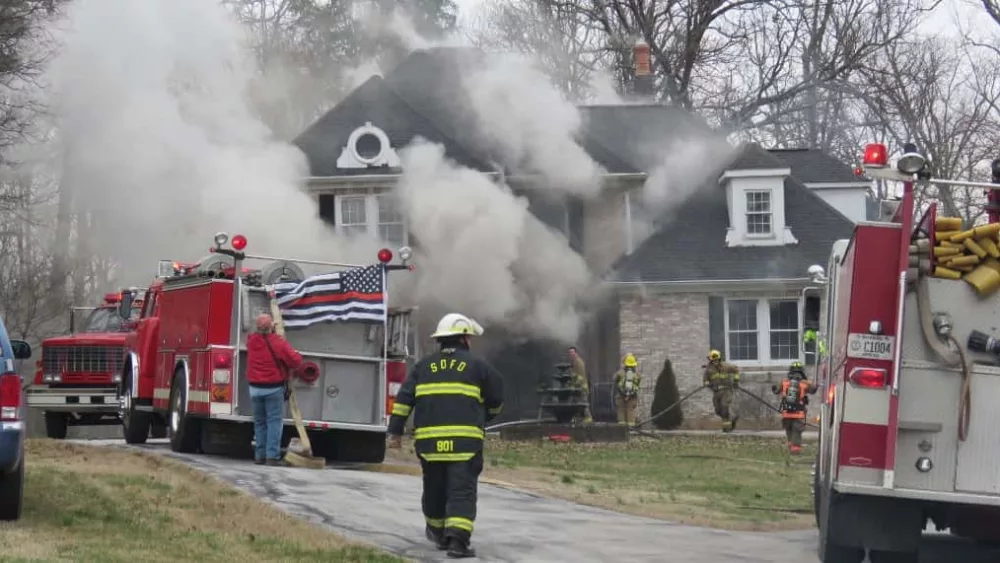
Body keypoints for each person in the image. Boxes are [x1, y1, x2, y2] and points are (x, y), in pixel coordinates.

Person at [387, 313, 504, 559]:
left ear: (441, 339)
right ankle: (457, 542)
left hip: (429, 444)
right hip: (465, 444)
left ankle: (438, 533)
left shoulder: (423, 366)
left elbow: (403, 401)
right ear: (463, 338)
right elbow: (496, 399)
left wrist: (395, 432)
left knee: (434, 489)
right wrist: (484, 417)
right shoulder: (478, 366)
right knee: (461, 491)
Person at [245, 313, 303, 466]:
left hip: (254, 388)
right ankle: (272, 457)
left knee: (259, 422)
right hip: (273, 388)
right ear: (271, 327)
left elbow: (254, 338)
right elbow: (295, 361)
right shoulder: (278, 343)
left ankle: (259, 455)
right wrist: (297, 354)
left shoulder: (251, 341)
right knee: (274, 422)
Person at [772, 361, 817, 455]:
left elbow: (775, 390)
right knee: (797, 432)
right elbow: (813, 390)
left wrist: (774, 387)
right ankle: (795, 452)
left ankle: (790, 448)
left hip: (786, 413)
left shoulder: (784, 382)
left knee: (789, 431)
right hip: (799, 414)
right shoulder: (805, 383)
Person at [702, 349, 740, 433]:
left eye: (716, 360)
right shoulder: (708, 370)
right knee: (718, 410)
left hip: (727, 390)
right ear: (710, 360)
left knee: (724, 406)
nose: (715, 361)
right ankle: (732, 418)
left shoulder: (726, 366)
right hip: (716, 392)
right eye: (713, 360)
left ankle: (727, 428)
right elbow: (705, 380)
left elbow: (736, 370)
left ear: (719, 359)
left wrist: (736, 381)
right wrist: (708, 384)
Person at [614, 353, 642, 426]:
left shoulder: (620, 373)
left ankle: (621, 429)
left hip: (620, 395)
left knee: (621, 410)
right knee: (630, 411)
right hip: (632, 396)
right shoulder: (637, 375)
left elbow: (614, 380)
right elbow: (638, 384)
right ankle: (631, 429)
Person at [568, 346, 593, 424]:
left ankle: (588, 418)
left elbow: (580, 377)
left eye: (572, 352)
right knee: (577, 404)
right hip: (578, 388)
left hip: (581, 388)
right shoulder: (574, 362)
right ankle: (577, 419)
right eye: (570, 352)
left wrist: (574, 385)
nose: (571, 354)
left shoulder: (579, 362)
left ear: (576, 353)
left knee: (583, 404)